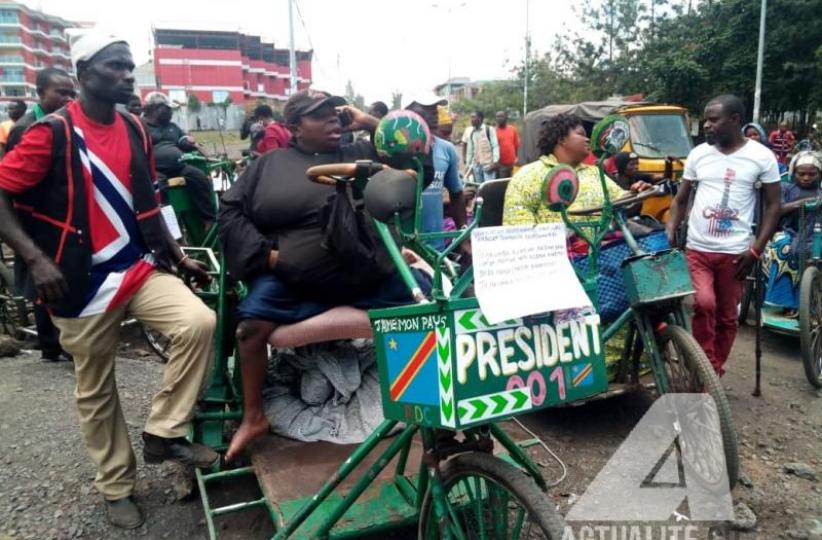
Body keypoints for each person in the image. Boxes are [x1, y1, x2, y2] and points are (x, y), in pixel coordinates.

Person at [0, 33, 218, 529]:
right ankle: (116, 487)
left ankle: (164, 431)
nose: (126, 76)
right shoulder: (52, 133)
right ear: (84, 73)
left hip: (136, 266)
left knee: (198, 323)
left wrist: (178, 255)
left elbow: (148, 200)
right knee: (96, 388)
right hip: (77, 279)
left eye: (129, 68)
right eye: (115, 66)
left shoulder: (134, 127)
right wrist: (35, 259)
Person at [218, 90, 432, 462]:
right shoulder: (268, 165)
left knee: (429, 305)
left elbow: (417, 157)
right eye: (319, 115)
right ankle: (253, 418)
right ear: (294, 126)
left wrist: (368, 121)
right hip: (294, 279)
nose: (333, 119)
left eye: (335, 113)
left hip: (365, 274)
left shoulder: (362, 154)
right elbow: (229, 212)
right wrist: (267, 256)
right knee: (248, 329)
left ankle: (427, 404)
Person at [666, 95, 781, 377]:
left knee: (728, 316)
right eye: (706, 119)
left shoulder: (762, 157)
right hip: (698, 248)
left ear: (735, 120)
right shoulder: (699, 154)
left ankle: (712, 372)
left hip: (736, 253)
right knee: (704, 304)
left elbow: (773, 206)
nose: (706, 125)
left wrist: (756, 250)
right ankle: (705, 371)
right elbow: (681, 199)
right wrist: (670, 228)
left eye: (713, 120)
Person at [6, 66, 76, 363]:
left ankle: (62, 341)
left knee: (60, 276)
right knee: (43, 278)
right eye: (61, 92)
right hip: (35, 215)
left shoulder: (63, 122)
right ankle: (51, 345)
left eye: (72, 93)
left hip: (58, 211)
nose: (68, 98)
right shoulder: (27, 128)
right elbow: (14, 183)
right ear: (40, 93)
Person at [503, 113, 649, 226]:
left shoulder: (594, 173)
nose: (588, 140)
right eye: (581, 134)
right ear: (562, 139)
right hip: (557, 253)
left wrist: (635, 193)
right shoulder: (528, 176)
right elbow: (519, 231)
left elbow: (622, 202)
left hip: (606, 248)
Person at [143, 91, 217, 228]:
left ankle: (208, 220)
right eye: (167, 109)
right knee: (158, 188)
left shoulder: (172, 127)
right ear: (155, 109)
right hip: (156, 170)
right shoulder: (141, 126)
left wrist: (189, 142)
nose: (171, 112)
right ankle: (170, 229)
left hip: (179, 167)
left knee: (199, 177)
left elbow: (182, 141)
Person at [762, 152, 822, 311]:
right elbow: (777, 210)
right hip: (787, 231)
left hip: (815, 234)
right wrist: (802, 203)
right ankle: (785, 301)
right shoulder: (784, 188)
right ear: (793, 173)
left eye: (812, 174)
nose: (806, 178)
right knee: (784, 247)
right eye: (801, 174)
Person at [406, 93, 466, 250]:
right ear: (408, 112)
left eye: (435, 107)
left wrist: (463, 231)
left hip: (436, 246)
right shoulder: (394, 151)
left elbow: (457, 194)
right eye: (426, 108)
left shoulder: (447, 149)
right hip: (403, 247)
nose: (434, 112)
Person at [463, 110, 499, 182]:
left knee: (488, 187)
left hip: (488, 166)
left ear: (479, 118)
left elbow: (495, 146)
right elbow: (470, 151)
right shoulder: (472, 132)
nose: (471, 119)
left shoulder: (489, 130)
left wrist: (495, 162)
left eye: (473, 117)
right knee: (479, 187)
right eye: (471, 117)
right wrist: (467, 166)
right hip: (476, 166)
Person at [495, 110, 520, 178]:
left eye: (501, 116)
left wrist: (517, 158)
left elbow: (517, 145)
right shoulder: (493, 131)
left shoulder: (513, 129)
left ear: (506, 117)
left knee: (514, 181)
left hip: (513, 163)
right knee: (503, 182)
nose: (499, 118)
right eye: (497, 117)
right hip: (501, 165)